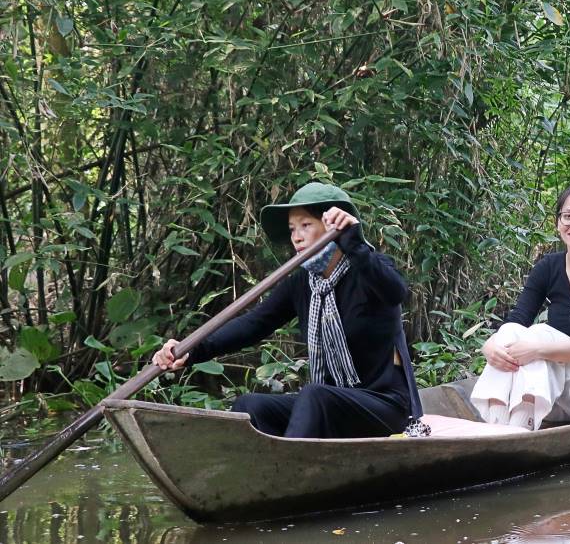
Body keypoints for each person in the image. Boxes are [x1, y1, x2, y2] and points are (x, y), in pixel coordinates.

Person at [152, 182, 420, 439]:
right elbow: (254, 324)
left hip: (386, 407)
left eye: (306, 225)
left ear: (333, 227)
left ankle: (290, 466)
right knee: (249, 406)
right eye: (292, 229)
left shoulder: (370, 269)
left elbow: (396, 292)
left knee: (314, 395)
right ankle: (250, 465)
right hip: (333, 405)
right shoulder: (303, 284)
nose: (297, 237)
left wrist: (355, 245)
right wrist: (192, 350)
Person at [470, 184, 570, 430]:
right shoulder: (548, 267)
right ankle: (500, 428)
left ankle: (511, 433)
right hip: (553, 389)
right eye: (568, 216)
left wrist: (538, 349)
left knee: (539, 335)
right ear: (558, 223)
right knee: (512, 332)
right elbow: (516, 320)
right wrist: (490, 346)